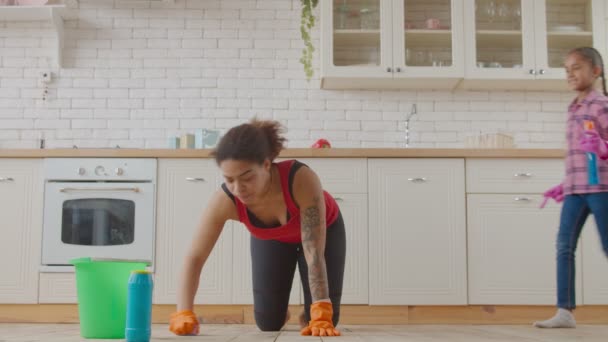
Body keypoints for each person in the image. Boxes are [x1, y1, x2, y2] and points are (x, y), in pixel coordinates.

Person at [168, 119, 346, 337]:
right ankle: (282, 311)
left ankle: (306, 314)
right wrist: (183, 312)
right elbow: (195, 257)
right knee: (268, 322)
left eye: (247, 177)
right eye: (229, 179)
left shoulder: (300, 179)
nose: (238, 188)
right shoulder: (225, 200)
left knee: (324, 321)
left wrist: (320, 310)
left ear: (266, 165)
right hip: (273, 239)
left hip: (323, 230)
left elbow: (314, 254)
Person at [536, 47, 608, 328]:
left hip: (602, 188)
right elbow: (578, 154)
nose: (570, 74)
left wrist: (603, 147)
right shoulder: (574, 107)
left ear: (596, 71)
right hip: (576, 190)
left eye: (577, 67)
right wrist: (564, 185)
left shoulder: (601, 105)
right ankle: (564, 311)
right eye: (567, 69)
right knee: (564, 246)